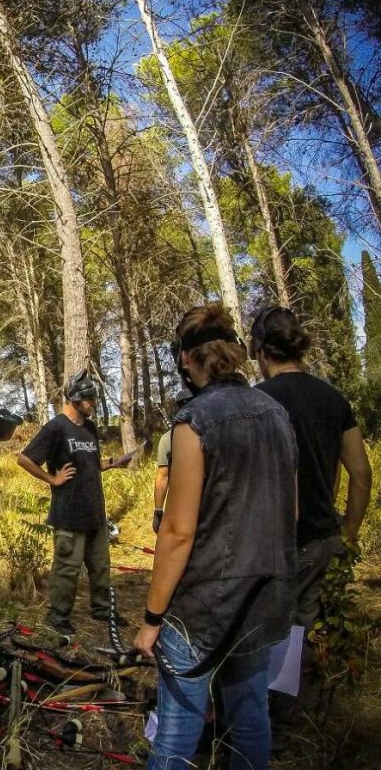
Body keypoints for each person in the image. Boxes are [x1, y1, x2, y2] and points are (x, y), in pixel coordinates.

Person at [135, 303, 297, 770]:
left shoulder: (194, 421)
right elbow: (292, 511)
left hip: (204, 607)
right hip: (265, 599)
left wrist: (152, 618)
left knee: (177, 731)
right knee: (250, 718)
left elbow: (178, 531)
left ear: (187, 359)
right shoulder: (275, 412)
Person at [249, 306, 373, 749]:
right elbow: (361, 474)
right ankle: (279, 722)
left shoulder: (260, 401)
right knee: (295, 630)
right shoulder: (333, 399)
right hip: (320, 538)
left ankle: (253, 721)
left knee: (258, 628)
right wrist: (349, 533)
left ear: (261, 352)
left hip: (268, 539)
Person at [17, 370, 131, 637]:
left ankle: (102, 609)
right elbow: (24, 459)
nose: (94, 403)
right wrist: (51, 479)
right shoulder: (56, 427)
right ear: (76, 399)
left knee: (101, 565)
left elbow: (90, 464)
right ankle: (58, 616)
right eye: (90, 399)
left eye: (94, 398)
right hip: (69, 514)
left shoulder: (89, 428)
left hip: (95, 513)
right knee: (67, 568)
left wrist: (114, 464)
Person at [151, 392, 193, 534]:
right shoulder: (167, 439)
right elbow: (163, 476)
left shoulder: (212, 432)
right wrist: (158, 511)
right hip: (181, 507)